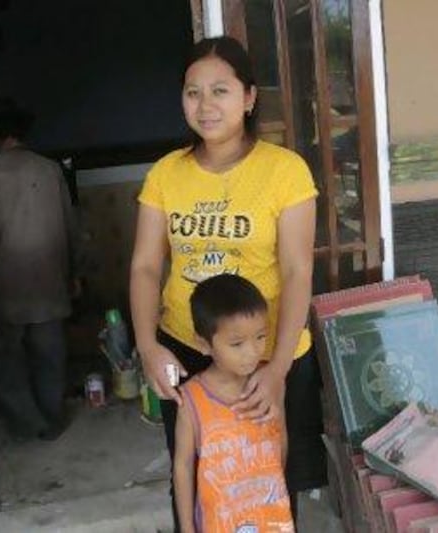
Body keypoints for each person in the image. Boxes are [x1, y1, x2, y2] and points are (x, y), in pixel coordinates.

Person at [129, 36, 323, 529]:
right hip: (188, 348)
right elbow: (146, 267)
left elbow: (299, 269)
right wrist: (148, 345)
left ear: (250, 97)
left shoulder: (285, 171)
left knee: (266, 480)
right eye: (193, 92)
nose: (205, 105)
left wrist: (277, 367)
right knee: (195, 476)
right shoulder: (165, 175)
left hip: (268, 352)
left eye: (220, 90)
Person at [0, 97, 79, 441]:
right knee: (50, 356)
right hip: (50, 280)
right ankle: (52, 417)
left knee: (6, 363)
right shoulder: (50, 169)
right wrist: (74, 274)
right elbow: (70, 226)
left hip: (6, 285)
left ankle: (32, 421)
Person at [175, 274, 294, 533]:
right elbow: (183, 467)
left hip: (272, 517)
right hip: (218, 523)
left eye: (261, 337)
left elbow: (280, 439)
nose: (252, 351)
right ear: (204, 344)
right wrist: (186, 527)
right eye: (237, 344)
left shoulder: (271, 385)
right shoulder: (192, 399)